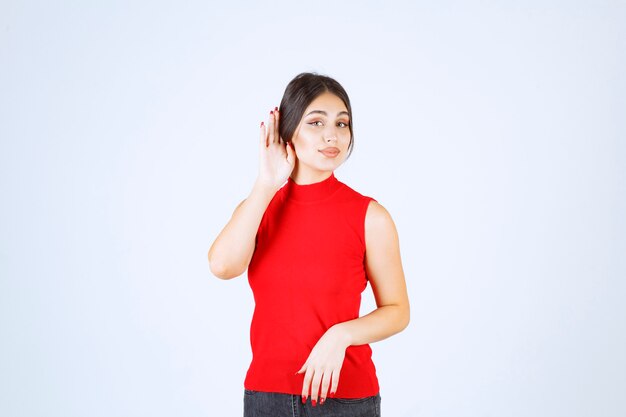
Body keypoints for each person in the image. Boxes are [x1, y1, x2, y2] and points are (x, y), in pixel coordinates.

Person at [208, 72, 410, 416]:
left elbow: (397, 311)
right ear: (288, 131)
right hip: (265, 397)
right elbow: (223, 266)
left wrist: (341, 335)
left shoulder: (370, 217)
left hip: (344, 399)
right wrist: (266, 182)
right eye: (316, 122)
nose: (332, 135)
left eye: (342, 124)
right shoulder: (260, 207)